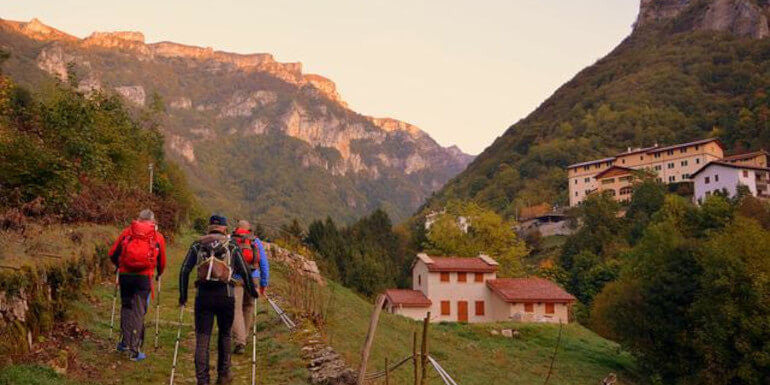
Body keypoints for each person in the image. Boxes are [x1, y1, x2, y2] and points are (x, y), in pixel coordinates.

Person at [179, 215, 259, 385]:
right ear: (224, 228)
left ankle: (203, 380)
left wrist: (183, 296)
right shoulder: (231, 245)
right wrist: (252, 291)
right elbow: (245, 271)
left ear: (209, 227)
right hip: (226, 295)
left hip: (203, 296)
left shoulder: (198, 244)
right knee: (224, 336)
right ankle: (223, 375)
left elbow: (184, 270)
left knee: (203, 339)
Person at [108, 209, 167, 361]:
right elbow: (162, 261)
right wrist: (159, 273)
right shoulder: (157, 236)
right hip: (144, 277)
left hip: (125, 276)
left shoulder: (127, 233)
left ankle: (124, 343)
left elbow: (113, 253)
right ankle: (135, 350)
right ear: (153, 220)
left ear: (138, 219)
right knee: (139, 311)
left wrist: (120, 265)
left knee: (126, 307)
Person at [230, 220, 269, 354]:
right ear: (249, 229)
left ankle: (240, 341)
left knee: (236, 309)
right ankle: (244, 337)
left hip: (236, 277)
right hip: (253, 277)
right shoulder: (255, 241)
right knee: (248, 306)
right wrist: (263, 283)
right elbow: (263, 263)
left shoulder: (231, 239)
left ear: (237, 228)